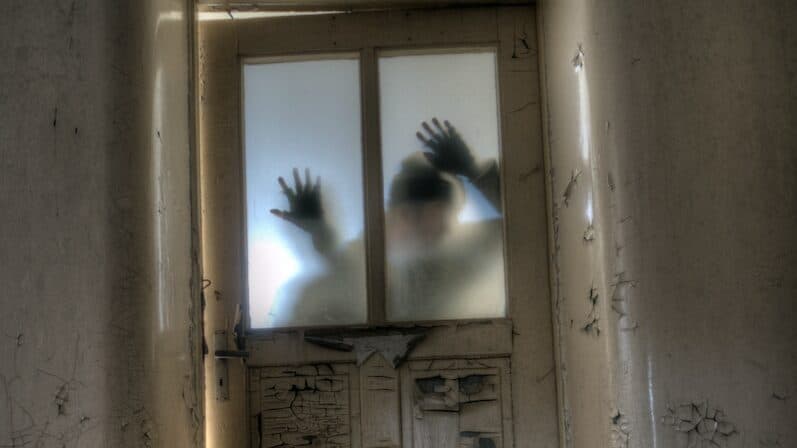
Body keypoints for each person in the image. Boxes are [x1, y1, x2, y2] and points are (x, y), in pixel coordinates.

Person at [269, 119, 504, 325]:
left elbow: (529, 224)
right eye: (414, 212)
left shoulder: (469, 256)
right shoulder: (374, 264)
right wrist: (321, 233)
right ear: (400, 214)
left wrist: (474, 171)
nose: (430, 224)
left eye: (442, 210)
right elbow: (349, 281)